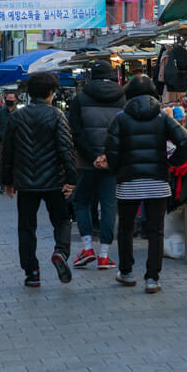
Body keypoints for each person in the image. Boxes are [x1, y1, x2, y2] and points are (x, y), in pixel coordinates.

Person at [104, 77, 187, 292]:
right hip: (157, 180)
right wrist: (172, 163)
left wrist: (116, 170)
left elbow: (111, 150)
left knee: (125, 228)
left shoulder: (120, 118)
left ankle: (126, 272)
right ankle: (152, 278)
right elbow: (185, 140)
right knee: (156, 231)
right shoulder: (162, 117)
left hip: (128, 182)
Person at [0, 71, 78, 287]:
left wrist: (7, 181)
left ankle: (32, 272)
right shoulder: (56, 115)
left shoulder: (17, 117)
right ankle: (60, 252)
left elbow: (7, 152)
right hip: (55, 182)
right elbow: (66, 149)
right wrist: (72, 179)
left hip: (25, 184)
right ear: (51, 92)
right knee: (61, 221)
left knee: (26, 228)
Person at [64, 61, 125, 269]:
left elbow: (76, 133)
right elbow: (123, 132)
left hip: (85, 162)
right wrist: (108, 156)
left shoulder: (80, 99)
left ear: (91, 76)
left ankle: (88, 248)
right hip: (112, 162)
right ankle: (105, 255)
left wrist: (92, 157)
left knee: (81, 202)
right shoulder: (123, 98)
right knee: (108, 205)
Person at [0, 92, 18, 186]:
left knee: (16, 163)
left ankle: (14, 183)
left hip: (16, 142)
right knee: (3, 162)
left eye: (11, 100)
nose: (9, 101)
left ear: (16, 101)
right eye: (8, 100)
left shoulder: (19, 113)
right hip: (4, 141)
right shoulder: (0, 113)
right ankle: (2, 184)